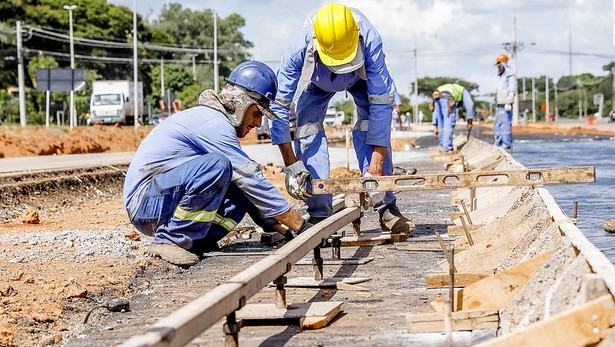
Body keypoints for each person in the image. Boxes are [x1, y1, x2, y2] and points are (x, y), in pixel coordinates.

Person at [123, 61, 310, 267]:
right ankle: (169, 240)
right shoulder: (213, 122)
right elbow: (250, 177)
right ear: (241, 103)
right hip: (145, 204)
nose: (257, 123)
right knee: (220, 166)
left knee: (235, 175)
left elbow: (246, 184)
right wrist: (300, 226)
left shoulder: (215, 122)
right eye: (257, 113)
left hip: (161, 199)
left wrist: (275, 224)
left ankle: (198, 241)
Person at [270, 3, 415, 235]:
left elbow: (381, 104)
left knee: (371, 124)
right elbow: (278, 106)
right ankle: (319, 212)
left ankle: (387, 206)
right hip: (317, 81)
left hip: (360, 78)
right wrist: (291, 165)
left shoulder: (370, 39)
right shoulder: (299, 48)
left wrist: (375, 170)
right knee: (306, 128)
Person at [430, 83, 474, 152]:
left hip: (436, 98)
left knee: (441, 124)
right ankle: (447, 149)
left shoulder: (443, 87)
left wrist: (435, 126)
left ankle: (443, 146)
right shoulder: (462, 90)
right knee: (448, 123)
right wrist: (470, 121)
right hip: (448, 98)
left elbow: (435, 113)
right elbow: (470, 104)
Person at [494, 53, 517, 150]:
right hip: (500, 104)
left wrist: (509, 101)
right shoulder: (501, 76)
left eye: (499, 65)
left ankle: (506, 144)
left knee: (505, 125)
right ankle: (498, 144)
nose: (498, 67)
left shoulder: (509, 75)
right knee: (497, 125)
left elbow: (512, 89)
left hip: (506, 104)